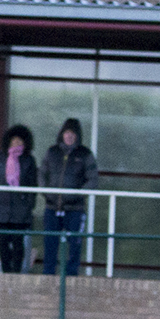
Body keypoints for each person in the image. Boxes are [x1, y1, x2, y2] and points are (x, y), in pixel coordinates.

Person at [39, 117, 98, 276]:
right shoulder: (52, 152)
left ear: (77, 136)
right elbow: (42, 175)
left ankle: (71, 277)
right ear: (62, 134)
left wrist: (77, 194)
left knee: (75, 244)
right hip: (52, 207)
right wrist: (47, 193)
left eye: (73, 133)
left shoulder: (85, 154)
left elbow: (93, 179)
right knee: (50, 243)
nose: (69, 136)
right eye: (67, 133)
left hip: (75, 209)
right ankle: (48, 275)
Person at [0, 124, 36, 274]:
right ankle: (6, 272)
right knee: (3, 243)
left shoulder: (29, 160)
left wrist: (29, 205)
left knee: (18, 243)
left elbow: (33, 184)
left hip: (20, 211)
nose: (16, 144)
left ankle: (17, 273)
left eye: (20, 142)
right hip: (0, 209)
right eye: (14, 141)